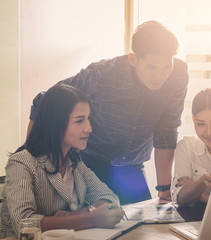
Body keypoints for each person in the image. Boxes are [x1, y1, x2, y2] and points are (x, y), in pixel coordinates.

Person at [28, 21, 189, 204]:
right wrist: (32, 163)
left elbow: (166, 132)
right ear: (133, 59)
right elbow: (44, 101)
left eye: (166, 66)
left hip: (131, 168)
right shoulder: (101, 75)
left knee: (143, 226)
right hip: (89, 163)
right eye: (151, 67)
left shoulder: (178, 75)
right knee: (91, 226)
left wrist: (164, 190)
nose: (160, 76)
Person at [0, 84, 125, 238]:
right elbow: (24, 222)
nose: (89, 128)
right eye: (79, 121)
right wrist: (90, 219)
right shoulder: (21, 162)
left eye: (88, 119)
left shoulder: (75, 161)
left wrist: (79, 214)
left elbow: (109, 198)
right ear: (56, 123)